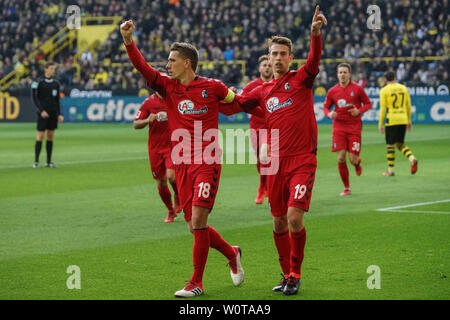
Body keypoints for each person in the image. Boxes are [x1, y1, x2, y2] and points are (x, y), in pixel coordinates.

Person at [121, 20, 244, 298]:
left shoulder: (210, 87)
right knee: (193, 226)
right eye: (167, 60)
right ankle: (231, 252)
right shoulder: (168, 88)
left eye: (172, 60)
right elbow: (143, 68)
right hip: (182, 161)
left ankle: (196, 282)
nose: (167, 64)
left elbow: (235, 103)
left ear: (187, 63)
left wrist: (259, 102)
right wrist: (129, 41)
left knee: (199, 218)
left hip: (207, 159)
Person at [234, 5, 327, 295]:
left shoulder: (302, 79)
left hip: (302, 160)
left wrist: (315, 34)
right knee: (277, 222)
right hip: (275, 163)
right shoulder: (261, 92)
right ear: (269, 57)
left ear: (290, 57)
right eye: (273, 54)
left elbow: (314, 60)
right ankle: (286, 273)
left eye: (282, 54)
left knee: (294, 218)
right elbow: (233, 104)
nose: (277, 58)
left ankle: (296, 274)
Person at [133, 69, 181, 223]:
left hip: (172, 146)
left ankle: (178, 196)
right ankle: (170, 211)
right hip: (155, 148)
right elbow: (135, 124)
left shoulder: (175, 99)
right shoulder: (149, 103)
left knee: (171, 177)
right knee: (161, 182)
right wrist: (148, 120)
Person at [323, 63, 372, 196]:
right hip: (339, 127)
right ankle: (347, 188)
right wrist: (329, 114)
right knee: (341, 158)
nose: (342, 75)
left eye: (345, 72)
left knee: (352, 159)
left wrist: (359, 110)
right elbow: (326, 107)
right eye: (340, 72)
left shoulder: (357, 89)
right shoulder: (333, 91)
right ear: (337, 74)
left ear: (349, 74)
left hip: (354, 127)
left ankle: (357, 163)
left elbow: (368, 103)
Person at [241, 55, 272, 204]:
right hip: (256, 127)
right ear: (260, 68)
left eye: (269, 65)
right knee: (260, 160)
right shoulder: (252, 86)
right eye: (264, 65)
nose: (267, 67)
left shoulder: (277, 84)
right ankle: (266, 186)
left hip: (272, 128)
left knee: (265, 157)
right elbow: (241, 100)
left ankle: (262, 189)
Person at [378, 71, 418, 176]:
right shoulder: (403, 88)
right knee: (399, 144)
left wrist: (380, 124)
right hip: (403, 118)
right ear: (395, 78)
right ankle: (412, 158)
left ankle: (391, 171)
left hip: (392, 119)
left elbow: (383, 109)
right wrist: (409, 121)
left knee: (390, 146)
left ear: (385, 79)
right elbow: (408, 106)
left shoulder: (384, 90)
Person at [31, 61, 64, 168]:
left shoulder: (56, 83)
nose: (53, 71)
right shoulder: (38, 82)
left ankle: (48, 162)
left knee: (50, 136)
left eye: (54, 69)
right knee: (40, 136)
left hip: (53, 112)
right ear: (45, 69)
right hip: (42, 113)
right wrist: (41, 110)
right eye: (51, 69)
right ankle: (36, 161)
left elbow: (57, 100)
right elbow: (34, 98)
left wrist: (59, 114)